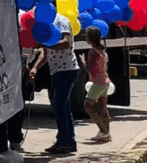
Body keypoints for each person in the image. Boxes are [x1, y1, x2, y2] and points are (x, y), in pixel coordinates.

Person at [29, 13, 80, 154]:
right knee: (61, 107)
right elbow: (45, 53)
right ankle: (67, 141)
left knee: (60, 107)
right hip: (57, 71)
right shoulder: (47, 24)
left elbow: (66, 42)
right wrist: (35, 67)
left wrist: (46, 44)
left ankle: (65, 142)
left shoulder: (61, 21)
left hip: (66, 70)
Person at [78, 26, 112, 142]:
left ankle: (103, 131)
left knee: (88, 106)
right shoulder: (102, 49)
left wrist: (82, 61)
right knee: (103, 108)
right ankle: (106, 133)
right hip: (105, 81)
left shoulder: (92, 51)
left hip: (97, 82)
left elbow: (89, 68)